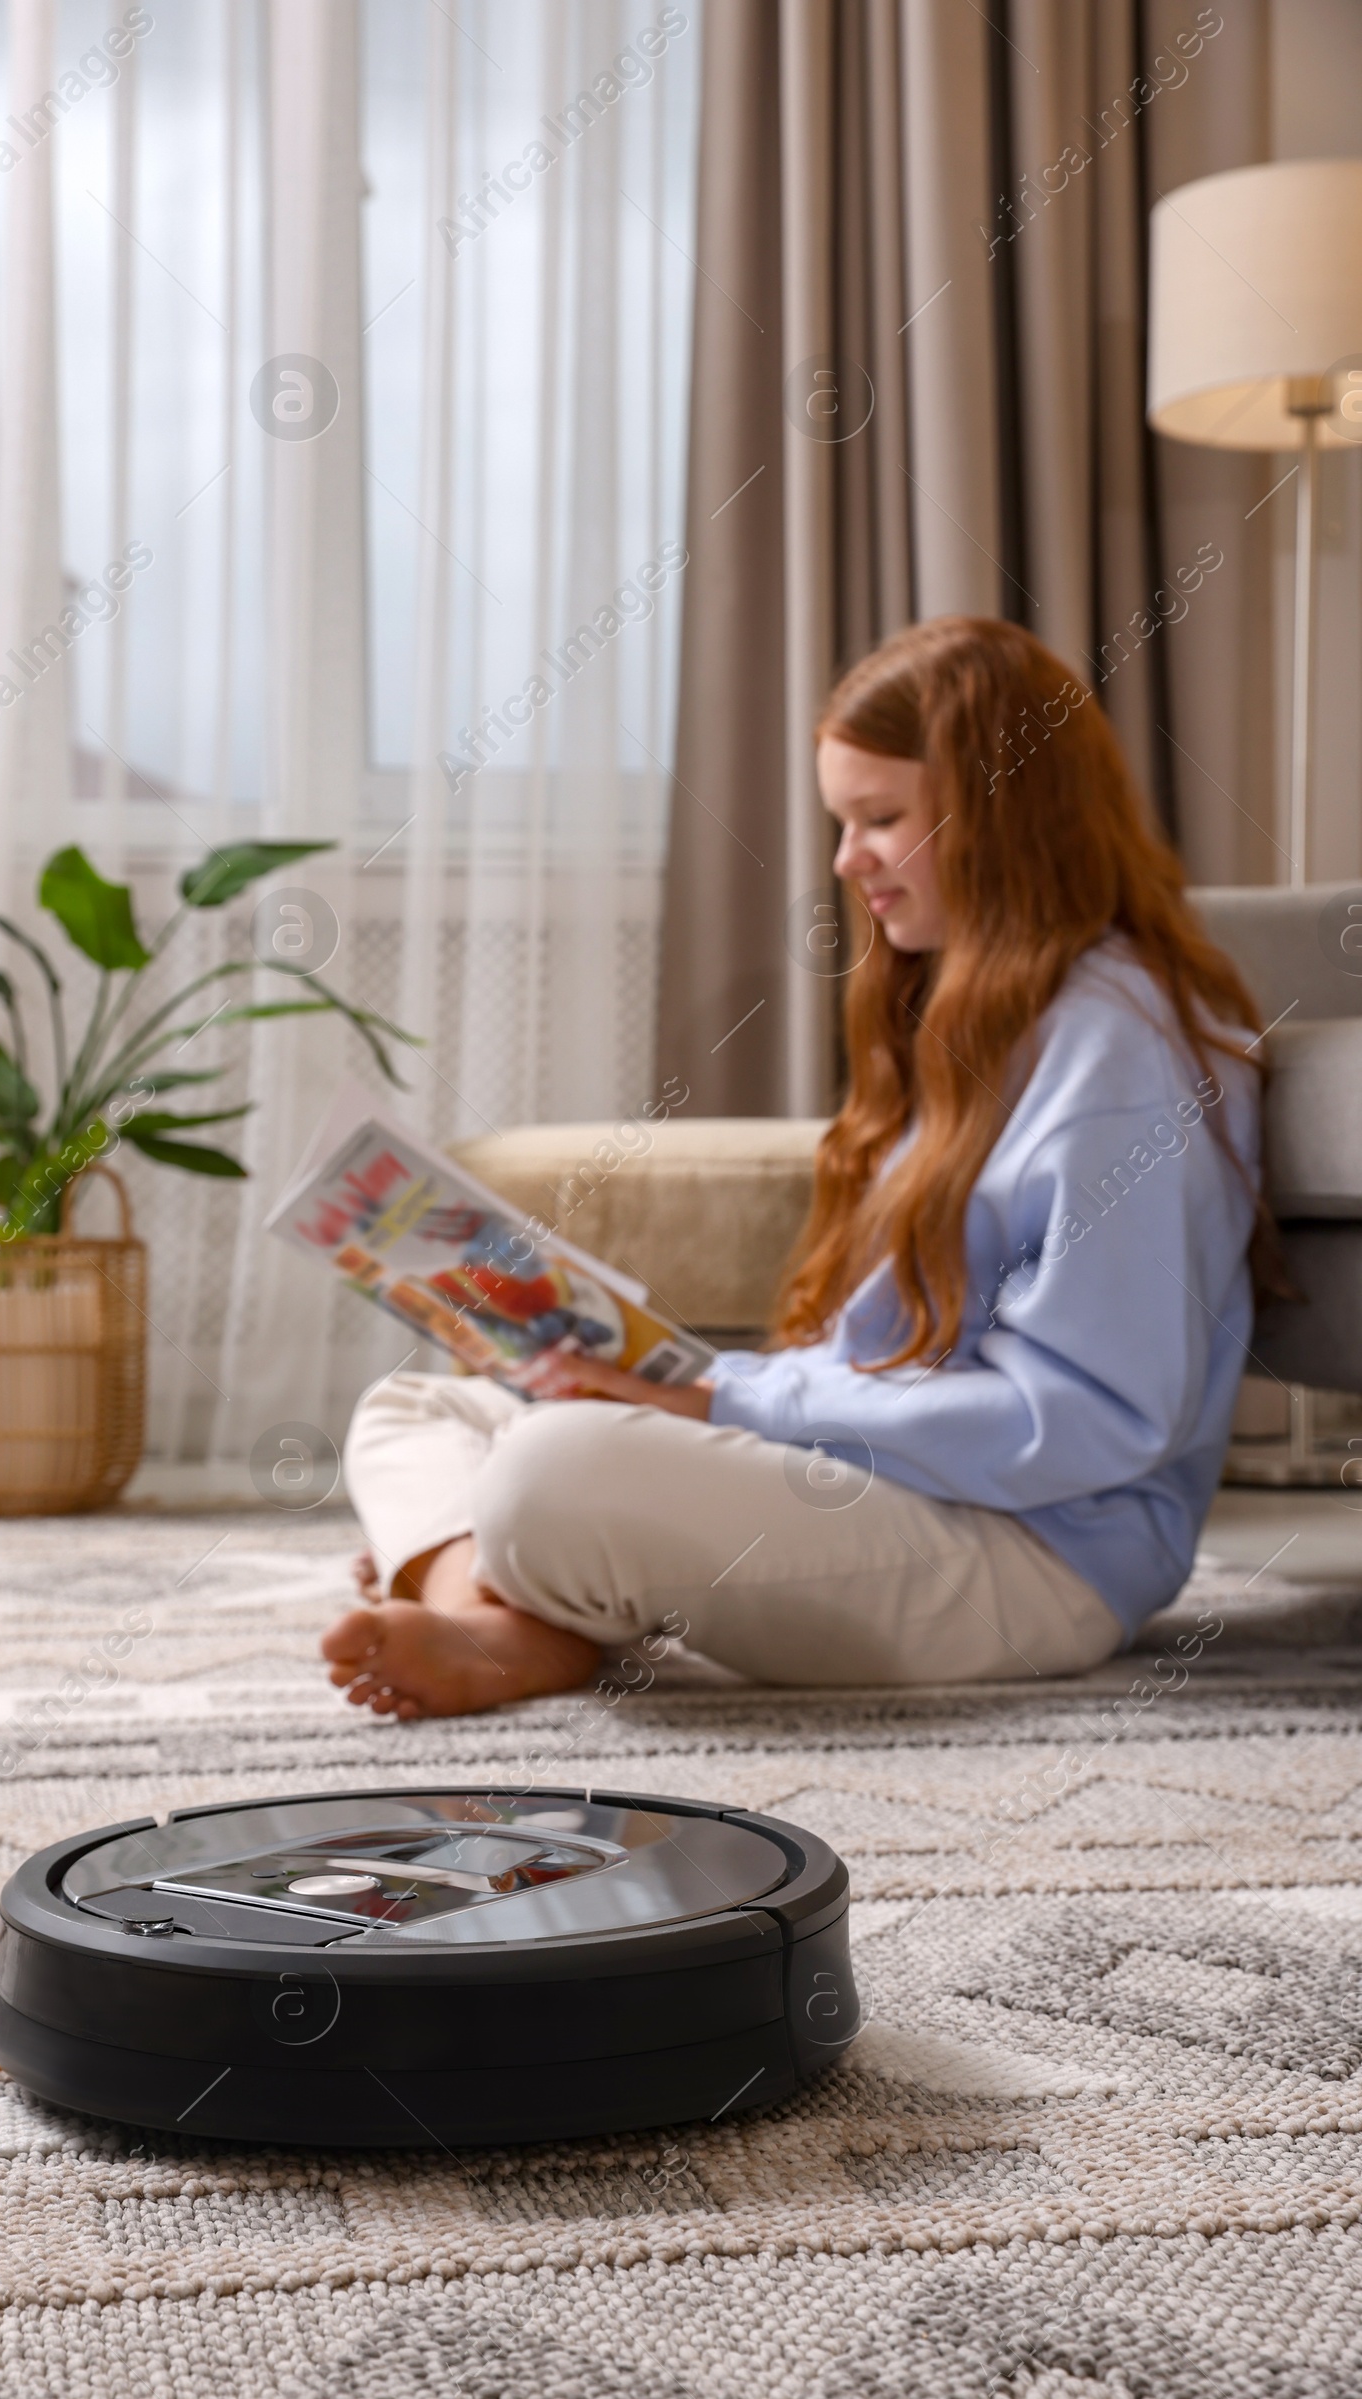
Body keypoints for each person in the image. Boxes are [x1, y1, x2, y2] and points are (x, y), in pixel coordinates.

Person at [322, 616, 1271, 1721]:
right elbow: (886, 1363)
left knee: (549, 1468)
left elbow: (1085, 1420)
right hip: (909, 1493)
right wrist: (686, 1389)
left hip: (1037, 1556)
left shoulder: (1119, 1056)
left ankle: (486, 1579)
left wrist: (721, 1398)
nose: (844, 859)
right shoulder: (979, 1017)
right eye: (842, 820)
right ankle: (506, 1610)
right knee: (414, 1407)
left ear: (1000, 814)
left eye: (879, 819)